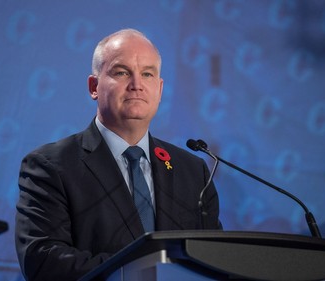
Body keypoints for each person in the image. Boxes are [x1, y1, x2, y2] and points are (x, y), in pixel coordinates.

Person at [15, 28, 221, 281]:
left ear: (159, 88)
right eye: (122, 72)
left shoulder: (193, 171)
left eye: (147, 74)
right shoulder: (50, 166)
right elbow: (43, 260)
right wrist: (143, 273)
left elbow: (214, 258)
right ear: (94, 86)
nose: (137, 85)